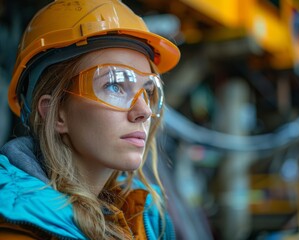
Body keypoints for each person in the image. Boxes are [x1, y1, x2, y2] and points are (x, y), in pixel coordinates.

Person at [0, 0, 180, 239]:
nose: (144, 111)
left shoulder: (147, 212)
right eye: (114, 85)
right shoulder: (17, 229)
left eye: (147, 91)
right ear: (55, 113)